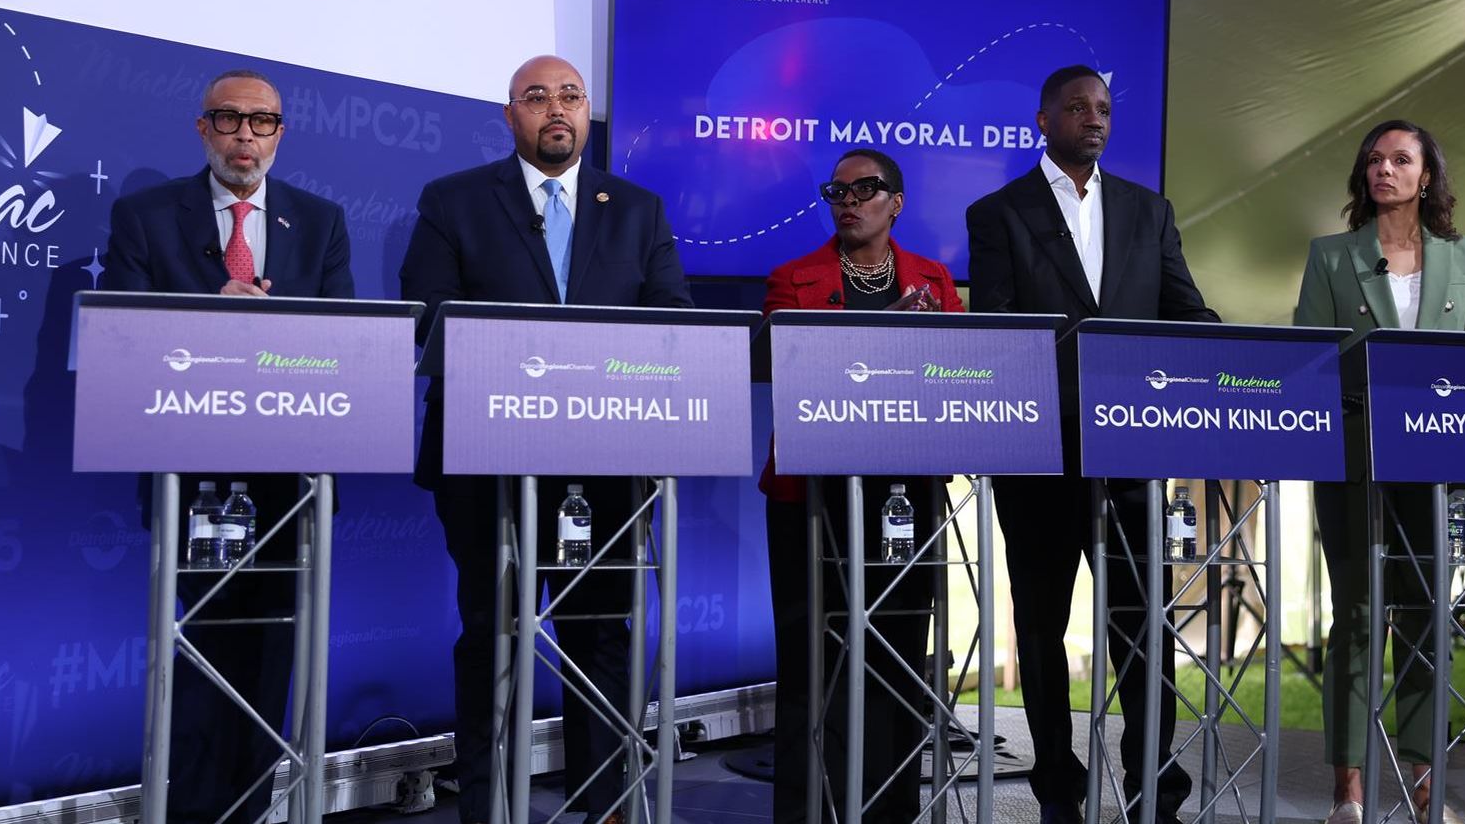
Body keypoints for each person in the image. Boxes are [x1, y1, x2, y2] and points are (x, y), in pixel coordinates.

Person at [400, 55, 690, 824]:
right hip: (483, 461)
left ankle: (606, 806)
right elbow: (427, 315)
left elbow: (672, 318)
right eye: (536, 97)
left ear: (588, 113)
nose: (554, 109)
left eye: (570, 96)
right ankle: (489, 809)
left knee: (601, 635)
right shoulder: (454, 202)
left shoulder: (637, 208)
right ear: (509, 116)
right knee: (492, 635)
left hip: (609, 464)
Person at [966, 65, 1221, 824]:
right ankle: (1056, 788)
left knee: (1144, 625)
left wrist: (1227, 345)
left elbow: (1182, 308)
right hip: (1040, 453)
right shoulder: (999, 213)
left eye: (1104, 108)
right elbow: (1002, 331)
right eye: (1077, 107)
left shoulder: (1150, 211)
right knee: (1041, 627)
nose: (1094, 119)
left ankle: (1154, 789)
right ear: (1043, 119)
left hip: (1132, 452)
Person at [100, 68, 355, 824]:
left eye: (262, 122)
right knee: (203, 654)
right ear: (202, 128)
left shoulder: (320, 221)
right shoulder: (146, 216)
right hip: (193, 478)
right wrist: (207, 314)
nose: (246, 137)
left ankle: (247, 810)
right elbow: (121, 331)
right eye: (230, 120)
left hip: (291, 483)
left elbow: (347, 340)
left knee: (274, 654)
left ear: (280, 133)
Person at [1293, 118, 1465, 824]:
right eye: (1374, 160)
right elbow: (1311, 359)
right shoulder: (1330, 256)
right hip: (1352, 462)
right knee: (1355, 617)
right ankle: (1347, 792)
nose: (1385, 170)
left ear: (1426, 175)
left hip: (1435, 466)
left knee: (1425, 618)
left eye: (1400, 159)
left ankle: (1426, 787)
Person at [762, 149, 962, 823]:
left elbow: (953, 378)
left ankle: (890, 809)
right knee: (811, 662)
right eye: (836, 191)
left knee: (900, 660)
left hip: (906, 497)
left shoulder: (935, 280)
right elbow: (787, 370)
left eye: (865, 189)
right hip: (811, 502)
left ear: (896, 202)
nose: (847, 201)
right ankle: (808, 810)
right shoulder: (794, 279)